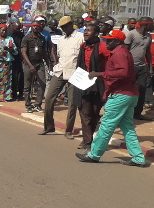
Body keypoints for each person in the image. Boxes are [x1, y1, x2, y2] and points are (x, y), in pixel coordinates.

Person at [76, 30, 147, 167]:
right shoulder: (121, 51)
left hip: (122, 94)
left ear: (117, 41)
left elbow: (123, 72)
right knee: (127, 127)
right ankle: (138, 157)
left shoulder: (119, 52)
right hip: (128, 94)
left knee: (106, 125)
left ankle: (94, 154)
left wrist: (99, 73)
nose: (106, 42)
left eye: (109, 40)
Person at [40, 16, 84, 136]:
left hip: (74, 73)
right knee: (49, 98)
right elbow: (58, 55)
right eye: (62, 27)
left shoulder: (80, 38)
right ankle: (49, 127)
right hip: (60, 71)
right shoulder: (61, 40)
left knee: (72, 104)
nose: (64, 29)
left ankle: (68, 130)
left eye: (66, 27)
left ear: (71, 25)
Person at [73, 23, 107, 151]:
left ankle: (89, 138)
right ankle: (87, 142)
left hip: (99, 84)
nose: (85, 32)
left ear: (96, 33)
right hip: (83, 82)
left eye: (89, 31)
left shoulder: (103, 47)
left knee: (94, 113)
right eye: (85, 30)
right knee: (85, 112)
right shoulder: (83, 46)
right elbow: (79, 65)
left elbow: (110, 64)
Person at [124, 17, 153, 121]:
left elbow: (148, 53)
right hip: (131, 67)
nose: (152, 26)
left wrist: (149, 68)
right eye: (151, 24)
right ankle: (125, 112)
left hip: (142, 67)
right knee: (127, 90)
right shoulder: (132, 34)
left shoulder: (148, 36)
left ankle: (137, 113)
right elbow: (125, 51)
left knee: (141, 90)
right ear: (146, 25)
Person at [21, 21, 49, 113]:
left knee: (42, 83)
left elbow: (44, 52)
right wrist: (30, 65)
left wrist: (49, 64)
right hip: (28, 64)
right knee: (27, 85)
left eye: (37, 26)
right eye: (34, 26)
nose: (36, 28)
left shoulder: (42, 38)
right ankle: (28, 105)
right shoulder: (26, 38)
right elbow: (24, 53)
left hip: (39, 63)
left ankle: (38, 104)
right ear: (31, 27)